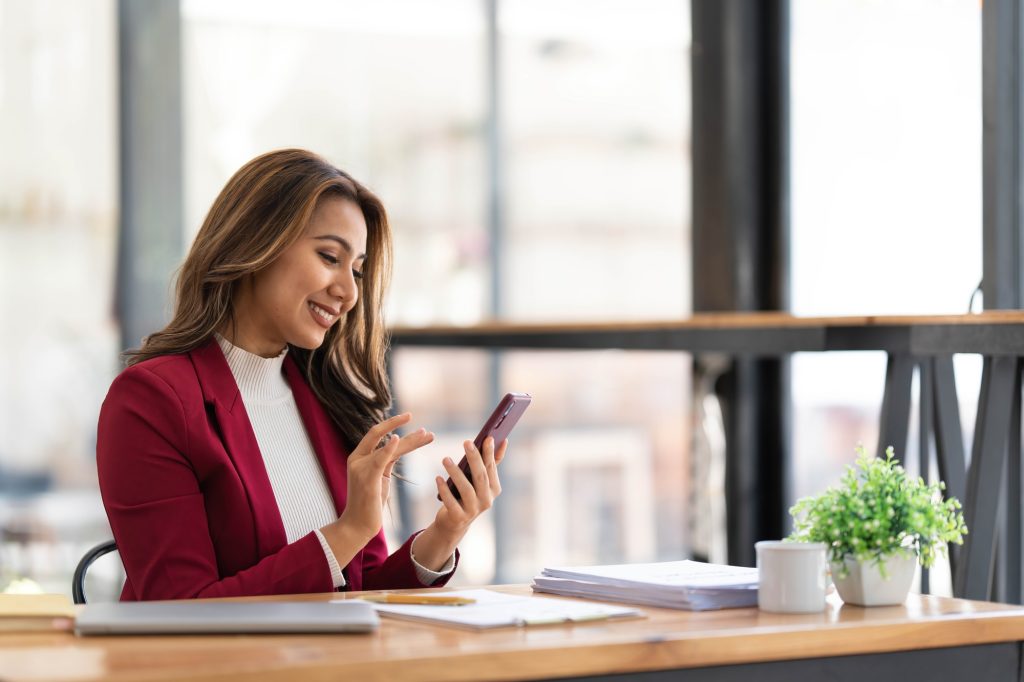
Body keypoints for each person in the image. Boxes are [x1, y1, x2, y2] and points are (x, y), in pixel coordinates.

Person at [96, 148, 505, 600]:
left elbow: (361, 592)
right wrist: (348, 531)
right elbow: (177, 609)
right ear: (255, 243)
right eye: (330, 257)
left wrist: (445, 533)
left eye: (357, 270)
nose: (349, 292)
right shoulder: (151, 402)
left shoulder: (328, 402)